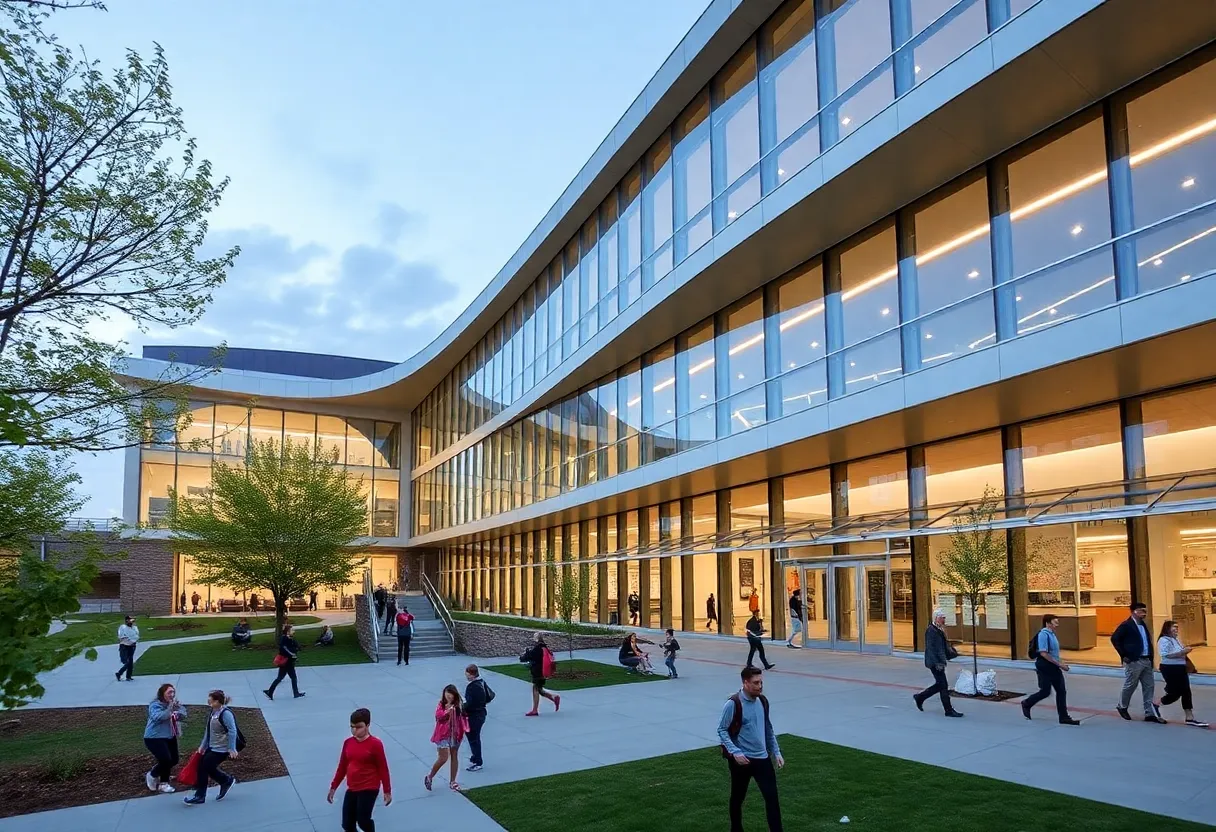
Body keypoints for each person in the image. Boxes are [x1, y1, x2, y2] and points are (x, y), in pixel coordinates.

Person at [718, 666, 784, 832]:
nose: (760, 686)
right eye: (756, 683)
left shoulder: (763, 701)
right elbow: (722, 730)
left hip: (763, 760)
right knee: (738, 798)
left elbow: (768, 728)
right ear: (745, 683)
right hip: (742, 761)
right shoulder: (733, 704)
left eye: (761, 682)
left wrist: (776, 751)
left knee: (772, 799)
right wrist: (735, 752)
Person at [328, 707, 392, 832]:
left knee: (363, 820)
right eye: (352, 727)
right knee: (347, 824)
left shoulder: (375, 744)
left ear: (367, 725)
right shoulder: (348, 743)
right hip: (353, 787)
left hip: (369, 787)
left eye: (358, 727)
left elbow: (383, 768)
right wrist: (333, 787)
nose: (354, 730)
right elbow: (342, 767)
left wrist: (387, 791)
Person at [1022, 614, 1081, 725]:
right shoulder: (1043, 635)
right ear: (1048, 623)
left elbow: (1054, 653)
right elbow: (1043, 653)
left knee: (1061, 691)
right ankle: (1026, 703)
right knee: (1045, 691)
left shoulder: (1052, 634)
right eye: (1055, 622)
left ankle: (1064, 717)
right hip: (1044, 666)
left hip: (1053, 666)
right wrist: (1060, 665)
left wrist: (1060, 663)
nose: (1057, 624)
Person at [1111, 601, 1165, 723]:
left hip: (1146, 659)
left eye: (1145, 611)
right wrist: (1124, 654)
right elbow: (1115, 638)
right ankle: (1122, 706)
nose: (1143, 614)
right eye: (1141, 611)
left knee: (1149, 686)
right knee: (1131, 684)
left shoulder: (1143, 625)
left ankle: (1149, 712)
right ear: (1133, 611)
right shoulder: (1126, 625)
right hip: (1135, 660)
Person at [182, 689, 238, 805]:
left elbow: (232, 731)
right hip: (212, 747)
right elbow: (208, 730)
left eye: (210, 699)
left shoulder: (225, 713)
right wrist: (202, 746)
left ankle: (200, 796)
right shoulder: (213, 712)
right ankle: (225, 781)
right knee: (206, 767)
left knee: (203, 767)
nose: (208, 700)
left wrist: (232, 748)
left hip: (222, 749)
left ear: (217, 701)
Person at [913, 609, 963, 718]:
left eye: (944, 617)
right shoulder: (931, 630)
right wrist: (937, 663)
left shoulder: (939, 629)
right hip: (934, 663)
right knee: (943, 685)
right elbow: (931, 649)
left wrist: (952, 653)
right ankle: (947, 710)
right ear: (936, 618)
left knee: (941, 685)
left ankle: (920, 697)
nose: (944, 620)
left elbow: (943, 647)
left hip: (939, 662)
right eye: (942, 617)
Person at [1158, 620, 1208, 728]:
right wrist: (1183, 652)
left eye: (1177, 627)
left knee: (1186, 691)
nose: (1176, 629)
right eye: (1174, 627)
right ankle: (1157, 703)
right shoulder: (1163, 640)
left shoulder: (1176, 640)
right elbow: (1165, 655)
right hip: (1170, 668)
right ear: (1167, 628)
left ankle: (1189, 717)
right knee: (1175, 692)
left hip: (1180, 668)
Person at [144, 683, 187, 794]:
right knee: (165, 759)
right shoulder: (155, 705)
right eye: (169, 692)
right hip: (154, 737)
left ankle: (157, 771)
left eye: (173, 692)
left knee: (173, 759)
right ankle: (157, 779)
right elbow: (157, 717)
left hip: (170, 735)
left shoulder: (173, 704)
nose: (172, 694)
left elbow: (183, 714)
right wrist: (170, 709)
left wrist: (177, 711)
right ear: (162, 693)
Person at [425, 684, 468, 792]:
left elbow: (464, 716)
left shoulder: (459, 705)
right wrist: (447, 711)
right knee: (443, 757)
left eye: (451, 694)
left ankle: (453, 781)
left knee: (454, 756)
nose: (449, 696)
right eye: (447, 694)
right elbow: (438, 716)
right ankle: (430, 776)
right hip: (443, 734)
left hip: (455, 734)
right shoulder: (441, 704)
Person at [520, 632, 560, 716]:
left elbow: (529, 657)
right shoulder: (544, 647)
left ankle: (535, 710)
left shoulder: (538, 648)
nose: (533, 638)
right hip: (543, 671)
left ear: (537, 639)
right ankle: (554, 698)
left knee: (535, 688)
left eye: (534, 637)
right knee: (540, 690)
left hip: (538, 671)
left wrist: (524, 655)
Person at [464, 664, 493, 772]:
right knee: (474, 737)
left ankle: (478, 761)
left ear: (471, 674)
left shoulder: (472, 687)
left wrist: (460, 707)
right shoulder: (481, 683)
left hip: (474, 716)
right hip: (481, 713)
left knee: (473, 738)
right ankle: (475, 757)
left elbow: (470, 704)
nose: (466, 676)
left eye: (467, 673)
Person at [264, 623, 305, 700]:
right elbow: (284, 649)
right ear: (287, 631)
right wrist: (292, 653)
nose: (294, 631)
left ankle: (270, 692)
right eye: (292, 630)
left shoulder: (290, 638)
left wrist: (295, 650)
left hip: (289, 662)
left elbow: (297, 647)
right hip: (286, 662)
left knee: (288, 677)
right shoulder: (284, 639)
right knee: (285, 677)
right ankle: (270, 692)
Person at [116, 615, 139, 681]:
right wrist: (130, 639)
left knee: (131, 662)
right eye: (130, 620)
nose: (132, 621)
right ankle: (119, 673)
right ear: (126, 620)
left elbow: (136, 636)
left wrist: (132, 640)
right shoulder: (122, 627)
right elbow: (122, 636)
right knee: (127, 662)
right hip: (124, 646)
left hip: (132, 646)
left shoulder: (134, 628)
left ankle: (128, 676)